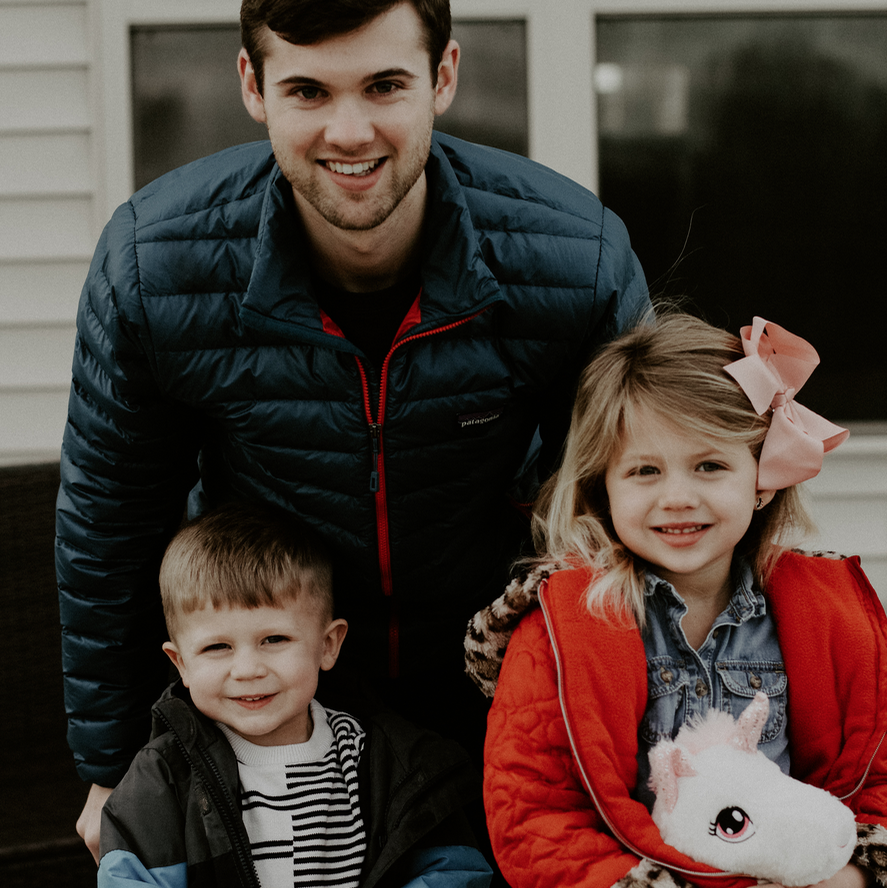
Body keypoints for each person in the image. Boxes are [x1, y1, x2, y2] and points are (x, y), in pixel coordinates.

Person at [57, 0, 649, 859]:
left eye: (384, 86)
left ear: (443, 77)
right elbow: (111, 521)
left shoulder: (573, 255)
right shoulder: (155, 264)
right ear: (253, 86)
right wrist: (113, 764)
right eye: (308, 91)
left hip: (501, 695)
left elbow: (631, 511)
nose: (348, 131)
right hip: (270, 699)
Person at [466, 314, 886, 888]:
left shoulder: (829, 617)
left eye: (709, 466)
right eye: (645, 471)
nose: (678, 497)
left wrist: (855, 873)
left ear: (763, 479)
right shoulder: (565, 630)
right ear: (603, 487)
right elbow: (535, 814)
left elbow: (877, 776)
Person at [98, 502, 492, 888]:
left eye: (274, 639)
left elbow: (452, 871)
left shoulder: (387, 762)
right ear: (181, 663)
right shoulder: (163, 778)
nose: (248, 669)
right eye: (217, 647)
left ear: (327, 645)